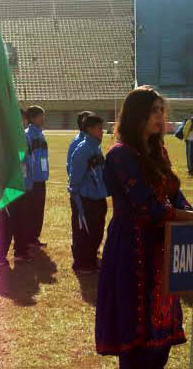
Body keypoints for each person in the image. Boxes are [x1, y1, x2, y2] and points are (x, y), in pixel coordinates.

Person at [96, 86, 193, 368]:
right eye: (154, 110)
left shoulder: (158, 151)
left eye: (162, 110)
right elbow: (149, 208)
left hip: (163, 250)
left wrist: (187, 211)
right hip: (133, 250)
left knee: (160, 338)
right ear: (137, 114)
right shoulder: (120, 155)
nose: (160, 116)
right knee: (137, 341)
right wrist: (189, 217)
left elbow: (174, 195)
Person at [0, 109, 35, 267]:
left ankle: (20, 251)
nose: (22, 122)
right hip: (8, 186)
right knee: (6, 222)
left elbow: (28, 161)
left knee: (22, 220)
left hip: (23, 185)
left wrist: (29, 183)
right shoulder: (2, 138)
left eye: (22, 119)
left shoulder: (24, 136)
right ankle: (0, 256)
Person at [68, 114, 108, 273]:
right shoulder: (82, 150)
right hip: (85, 199)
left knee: (97, 230)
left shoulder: (96, 147)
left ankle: (91, 260)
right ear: (90, 130)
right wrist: (77, 200)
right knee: (84, 232)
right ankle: (81, 263)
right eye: (99, 129)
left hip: (98, 198)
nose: (102, 132)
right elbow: (75, 178)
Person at [25, 106, 49, 247]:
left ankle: (34, 237)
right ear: (33, 118)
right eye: (41, 116)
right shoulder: (27, 135)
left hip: (41, 178)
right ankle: (27, 238)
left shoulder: (41, 134)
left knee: (38, 210)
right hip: (31, 180)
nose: (43, 119)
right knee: (30, 210)